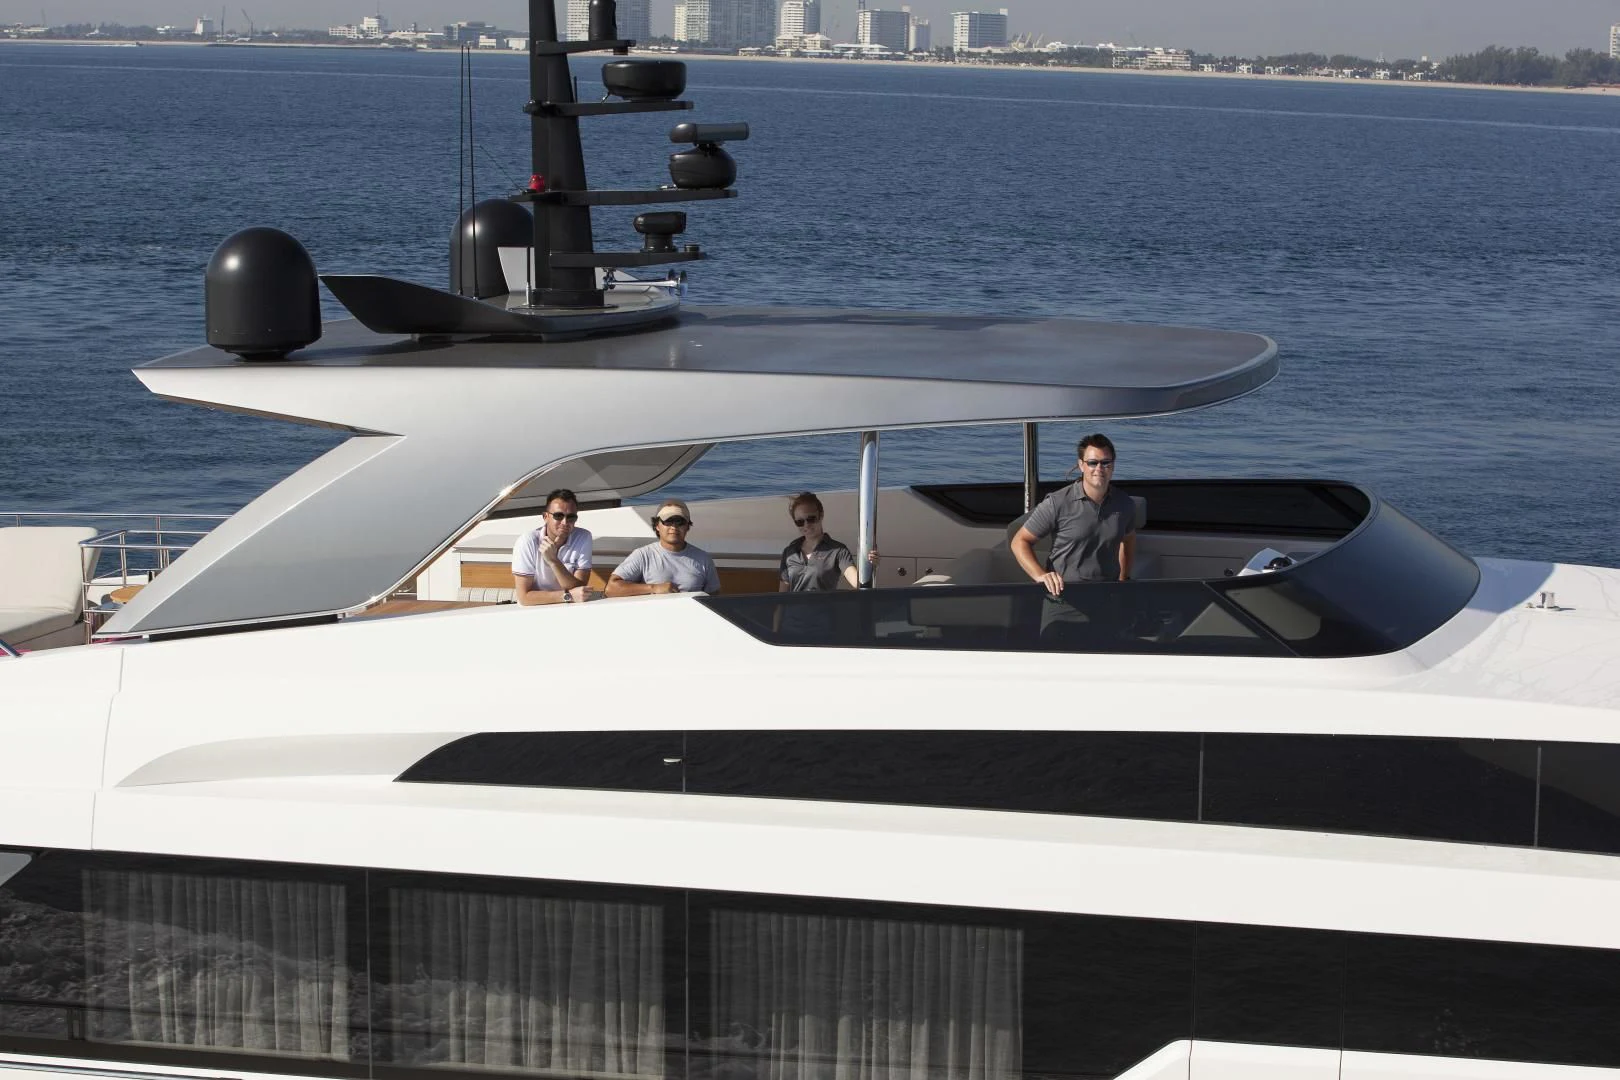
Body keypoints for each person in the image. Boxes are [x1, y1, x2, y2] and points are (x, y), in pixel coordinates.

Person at [1011, 434, 1137, 596]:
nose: (1099, 468)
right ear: (1081, 465)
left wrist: (1123, 579)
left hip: (1108, 597)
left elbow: (1129, 539)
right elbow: (1019, 541)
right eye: (1092, 463)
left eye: (1105, 463)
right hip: (1063, 598)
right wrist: (1040, 576)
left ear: (1113, 466)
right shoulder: (1057, 502)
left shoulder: (1125, 504)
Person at [606, 498, 722, 597]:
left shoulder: (704, 558)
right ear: (657, 526)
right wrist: (653, 588)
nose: (674, 527)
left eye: (680, 522)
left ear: (687, 526)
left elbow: (714, 596)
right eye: (668, 521)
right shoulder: (643, 555)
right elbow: (611, 589)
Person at [778, 491, 877, 592]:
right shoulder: (789, 552)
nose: (806, 525)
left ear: (821, 515)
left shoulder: (838, 550)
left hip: (825, 607)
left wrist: (869, 564)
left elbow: (858, 583)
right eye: (800, 522)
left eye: (811, 519)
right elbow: (782, 594)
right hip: (794, 608)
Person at [511, 489, 594, 605]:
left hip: (569, 607)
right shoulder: (527, 541)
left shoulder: (583, 537)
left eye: (571, 517)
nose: (565, 522)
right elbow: (524, 597)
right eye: (558, 516)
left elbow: (580, 588)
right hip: (535, 609)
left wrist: (554, 561)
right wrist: (567, 596)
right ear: (545, 517)